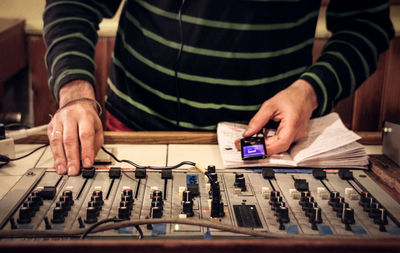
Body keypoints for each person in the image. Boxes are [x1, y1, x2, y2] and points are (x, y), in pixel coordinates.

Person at [43, 0, 394, 176]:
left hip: (263, 146)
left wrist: (310, 91)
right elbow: (74, 3)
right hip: (131, 133)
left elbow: (365, 25)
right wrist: (75, 92)